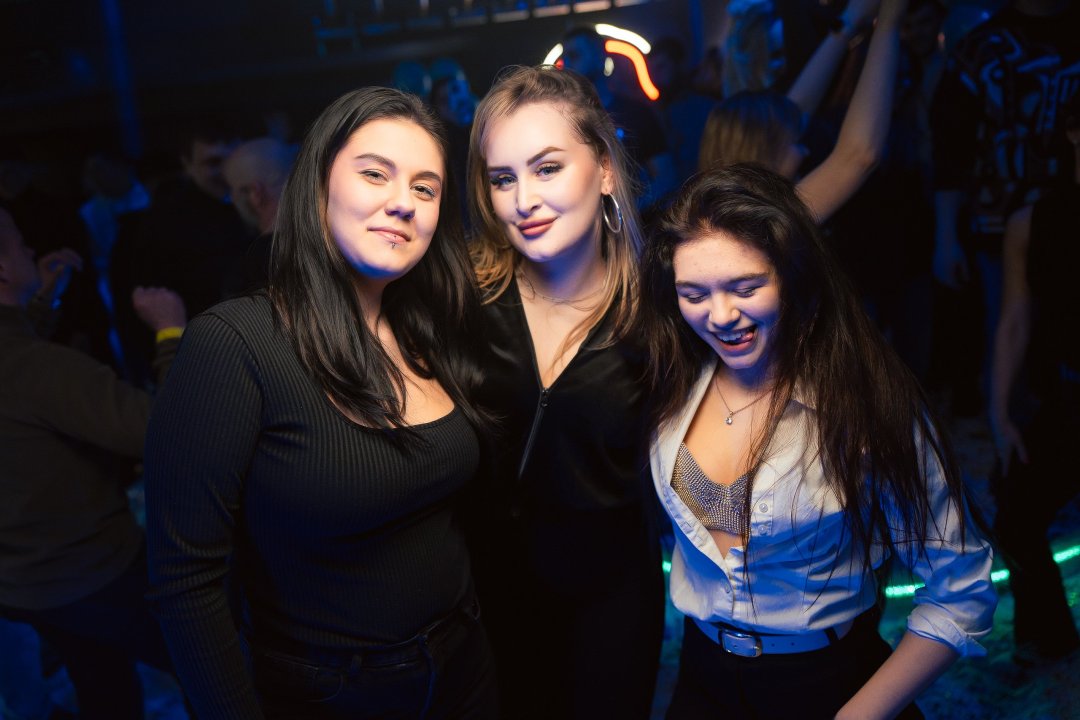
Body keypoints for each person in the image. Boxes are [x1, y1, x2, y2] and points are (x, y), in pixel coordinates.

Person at [143, 86, 498, 720]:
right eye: (375, 174)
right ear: (318, 184)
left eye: (425, 188)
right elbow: (185, 582)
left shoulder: (431, 328)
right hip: (333, 693)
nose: (403, 202)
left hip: (465, 665)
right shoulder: (235, 344)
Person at [638, 164, 996, 719]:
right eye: (694, 294)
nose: (721, 315)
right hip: (701, 675)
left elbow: (961, 592)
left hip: (827, 683)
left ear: (792, 275)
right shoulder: (672, 381)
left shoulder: (865, 405)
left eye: (746, 287)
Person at [465, 65, 664, 720]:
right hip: (488, 605)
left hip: (612, 608)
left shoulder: (658, 309)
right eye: (503, 178)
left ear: (604, 169)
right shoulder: (465, 300)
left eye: (547, 168)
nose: (523, 199)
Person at [0, 206, 187, 720]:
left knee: (103, 686)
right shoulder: (40, 370)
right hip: (93, 573)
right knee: (209, 667)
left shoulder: (26, 364)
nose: (31, 250)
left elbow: (18, 368)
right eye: (18, 242)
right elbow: (169, 435)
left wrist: (41, 299)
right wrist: (170, 333)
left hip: (25, 583)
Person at [989, 94, 1080, 667]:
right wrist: (1000, 411)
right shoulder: (1033, 221)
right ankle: (1049, 646)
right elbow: (1015, 318)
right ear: (1073, 131)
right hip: (1064, 396)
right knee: (1015, 515)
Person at [699, 0, 906, 224]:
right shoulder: (765, 220)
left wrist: (850, 20)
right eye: (795, 143)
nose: (805, 151)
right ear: (763, 150)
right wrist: (889, 23)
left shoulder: (730, 207)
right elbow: (859, 155)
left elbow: (797, 108)